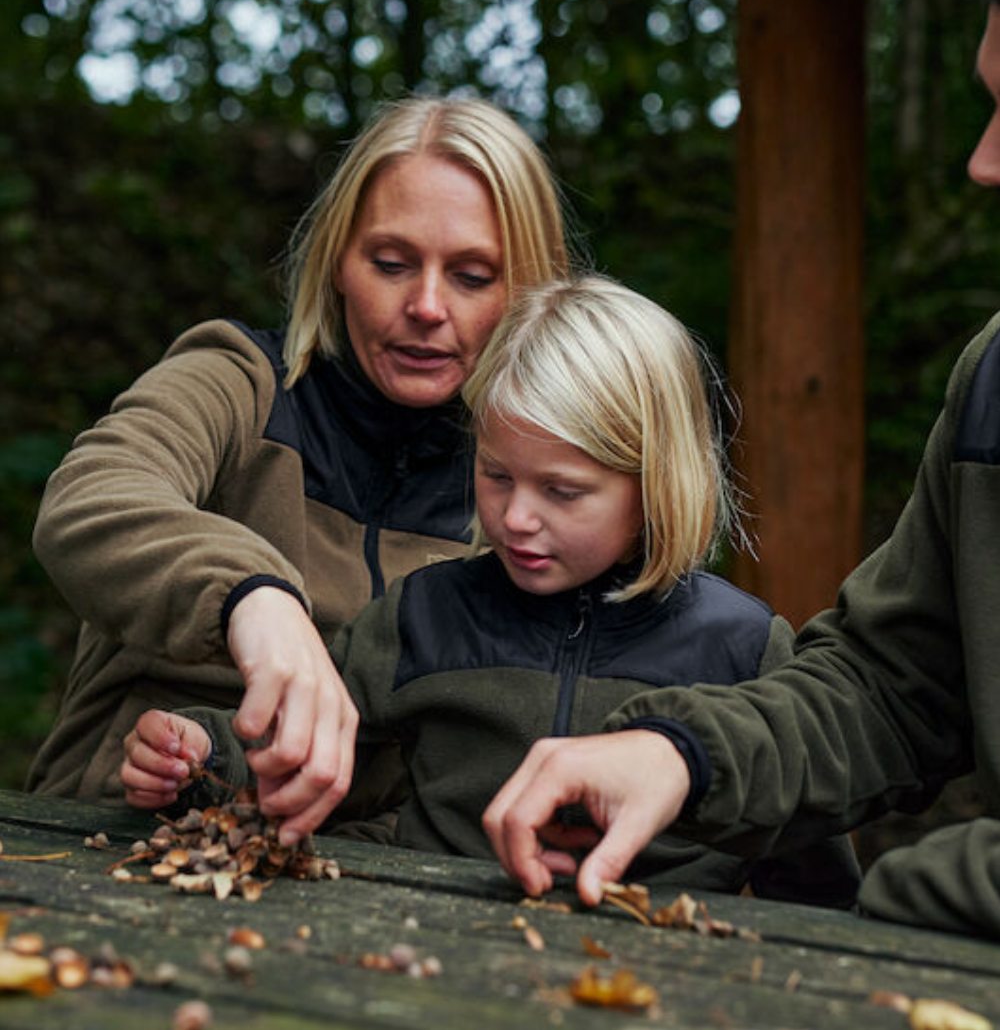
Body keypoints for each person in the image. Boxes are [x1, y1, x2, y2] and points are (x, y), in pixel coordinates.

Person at [482, 0, 1000, 936]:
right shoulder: (992, 382)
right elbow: (889, 687)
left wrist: (891, 903)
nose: (982, 164)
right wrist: (681, 753)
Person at [121, 275, 860, 906]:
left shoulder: (743, 645)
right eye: (496, 474)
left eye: (564, 491)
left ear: (656, 486)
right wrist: (202, 753)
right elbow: (305, 745)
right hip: (429, 939)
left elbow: (811, 860)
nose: (516, 517)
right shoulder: (424, 613)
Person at [28, 94, 570, 847]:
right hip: (105, 836)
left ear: (530, 294)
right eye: (391, 262)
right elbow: (91, 498)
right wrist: (253, 599)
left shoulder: (528, 487)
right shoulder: (237, 382)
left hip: (373, 878)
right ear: (338, 261)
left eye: (473, 277)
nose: (426, 305)